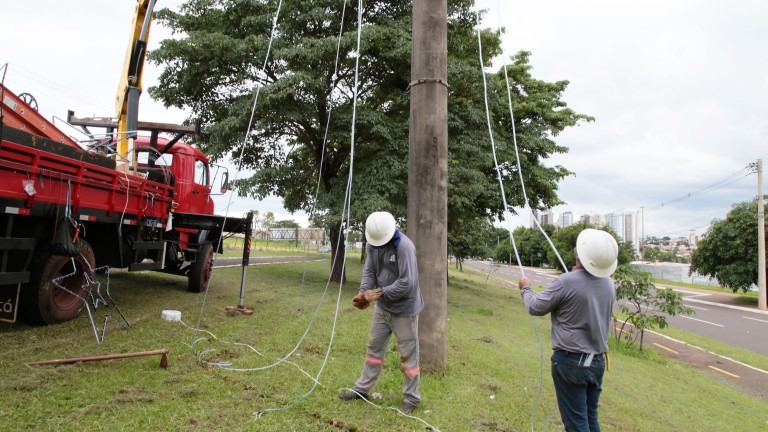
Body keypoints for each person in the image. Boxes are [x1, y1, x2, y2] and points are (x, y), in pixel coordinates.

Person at [518, 228, 618, 432]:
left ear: (580, 254)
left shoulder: (567, 281)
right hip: (596, 362)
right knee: (590, 418)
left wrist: (525, 288)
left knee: (576, 424)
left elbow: (535, 306)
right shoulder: (609, 284)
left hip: (572, 362)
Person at [339, 211, 424, 414]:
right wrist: (362, 292)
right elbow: (370, 271)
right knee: (373, 349)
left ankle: (411, 399)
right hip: (383, 308)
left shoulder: (404, 246)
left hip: (404, 310)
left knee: (408, 356)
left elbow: (407, 283)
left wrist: (377, 294)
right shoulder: (372, 243)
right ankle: (362, 390)